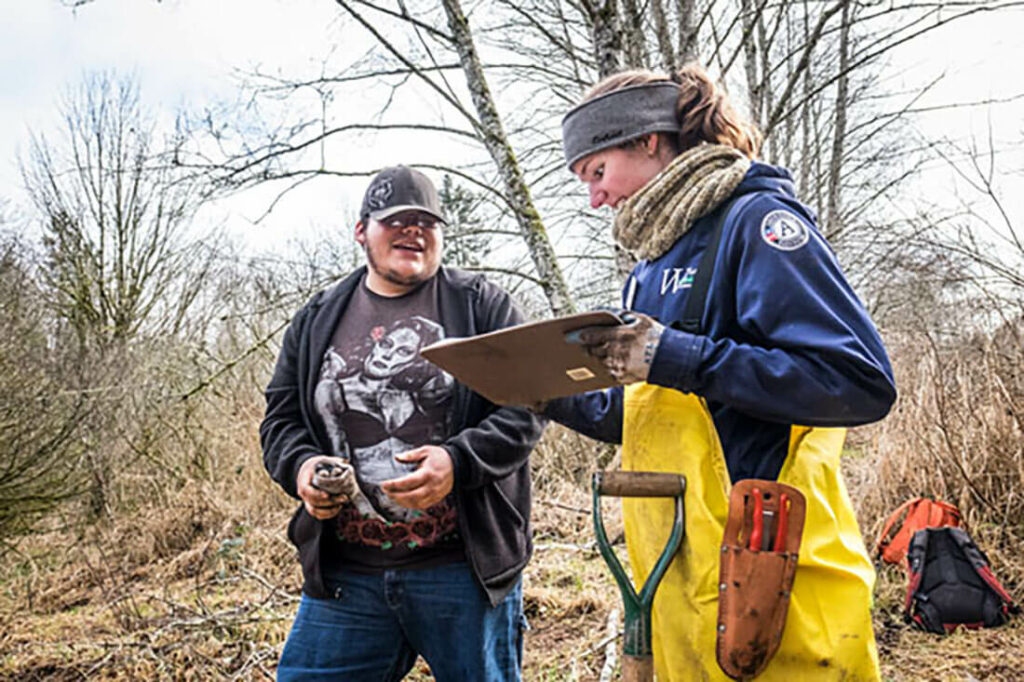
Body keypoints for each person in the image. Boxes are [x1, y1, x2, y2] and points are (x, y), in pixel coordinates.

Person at [546, 65, 897, 680]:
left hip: (774, 575)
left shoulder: (755, 224)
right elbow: (652, 411)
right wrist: (538, 390)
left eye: (597, 172)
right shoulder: (653, 261)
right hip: (684, 577)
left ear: (648, 140)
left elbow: (856, 379)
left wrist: (673, 354)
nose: (595, 197)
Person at [261, 165, 544, 681]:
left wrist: (458, 462)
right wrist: (300, 468)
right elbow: (280, 418)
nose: (413, 230)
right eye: (397, 220)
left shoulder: (481, 305)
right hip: (348, 576)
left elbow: (527, 408)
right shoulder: (318, 317)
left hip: (463, 573)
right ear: (361, 231)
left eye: (426, 222)